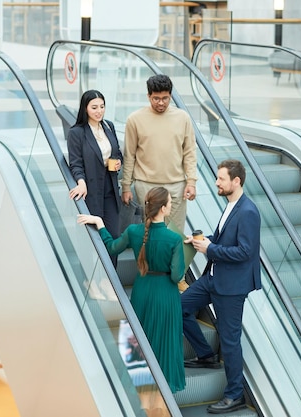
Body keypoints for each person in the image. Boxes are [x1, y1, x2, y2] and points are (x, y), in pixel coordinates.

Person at [78, 186, 186, 393]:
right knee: (164, 343)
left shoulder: (134, 232)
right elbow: (176, 276)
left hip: (142, 291)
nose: (171, 205)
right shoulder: (174, 239)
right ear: (163, 209)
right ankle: (163, 392)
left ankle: (137, 387)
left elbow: (111, 247)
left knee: (139, 340)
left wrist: (100, 223)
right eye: (170, 203)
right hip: (166, 296)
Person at [181, 159, 261, 414]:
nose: (216, 182)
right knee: (179, 306)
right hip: (212, 279)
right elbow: (226, 238)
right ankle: (206, 355)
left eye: (221, 179)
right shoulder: (231, 205)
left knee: (230, 341)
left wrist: (211, 249)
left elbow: (246, 252)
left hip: (232, 287)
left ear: (236, 181)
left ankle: (235, 395)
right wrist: (202, 240)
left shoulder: (248, 211)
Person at [121, 74, 197, 233]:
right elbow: (130, 155)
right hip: (146, 185)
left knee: (176, 234)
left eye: (165, 98)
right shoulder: (135, 119)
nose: (161, 102)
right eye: (156, 98)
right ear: (148, 96)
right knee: (150, 234)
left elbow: (189, 152)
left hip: (176, 186)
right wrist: (126, 186)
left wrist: (191, 182)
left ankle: (176, 260)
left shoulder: (183, 118)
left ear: (170, 95)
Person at [68, 89, 123, 266]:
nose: (99, 111)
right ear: (85, 109)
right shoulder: (77, 132)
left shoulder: (109, 126)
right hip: (90, 190)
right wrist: (81, 182)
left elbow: (118, 153)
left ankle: (110, 280)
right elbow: (75, 162)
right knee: (91, 238)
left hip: (110, 188)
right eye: (94, 107)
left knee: (113, 235)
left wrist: (117, 162)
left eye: (102, 106)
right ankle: (90, 280)